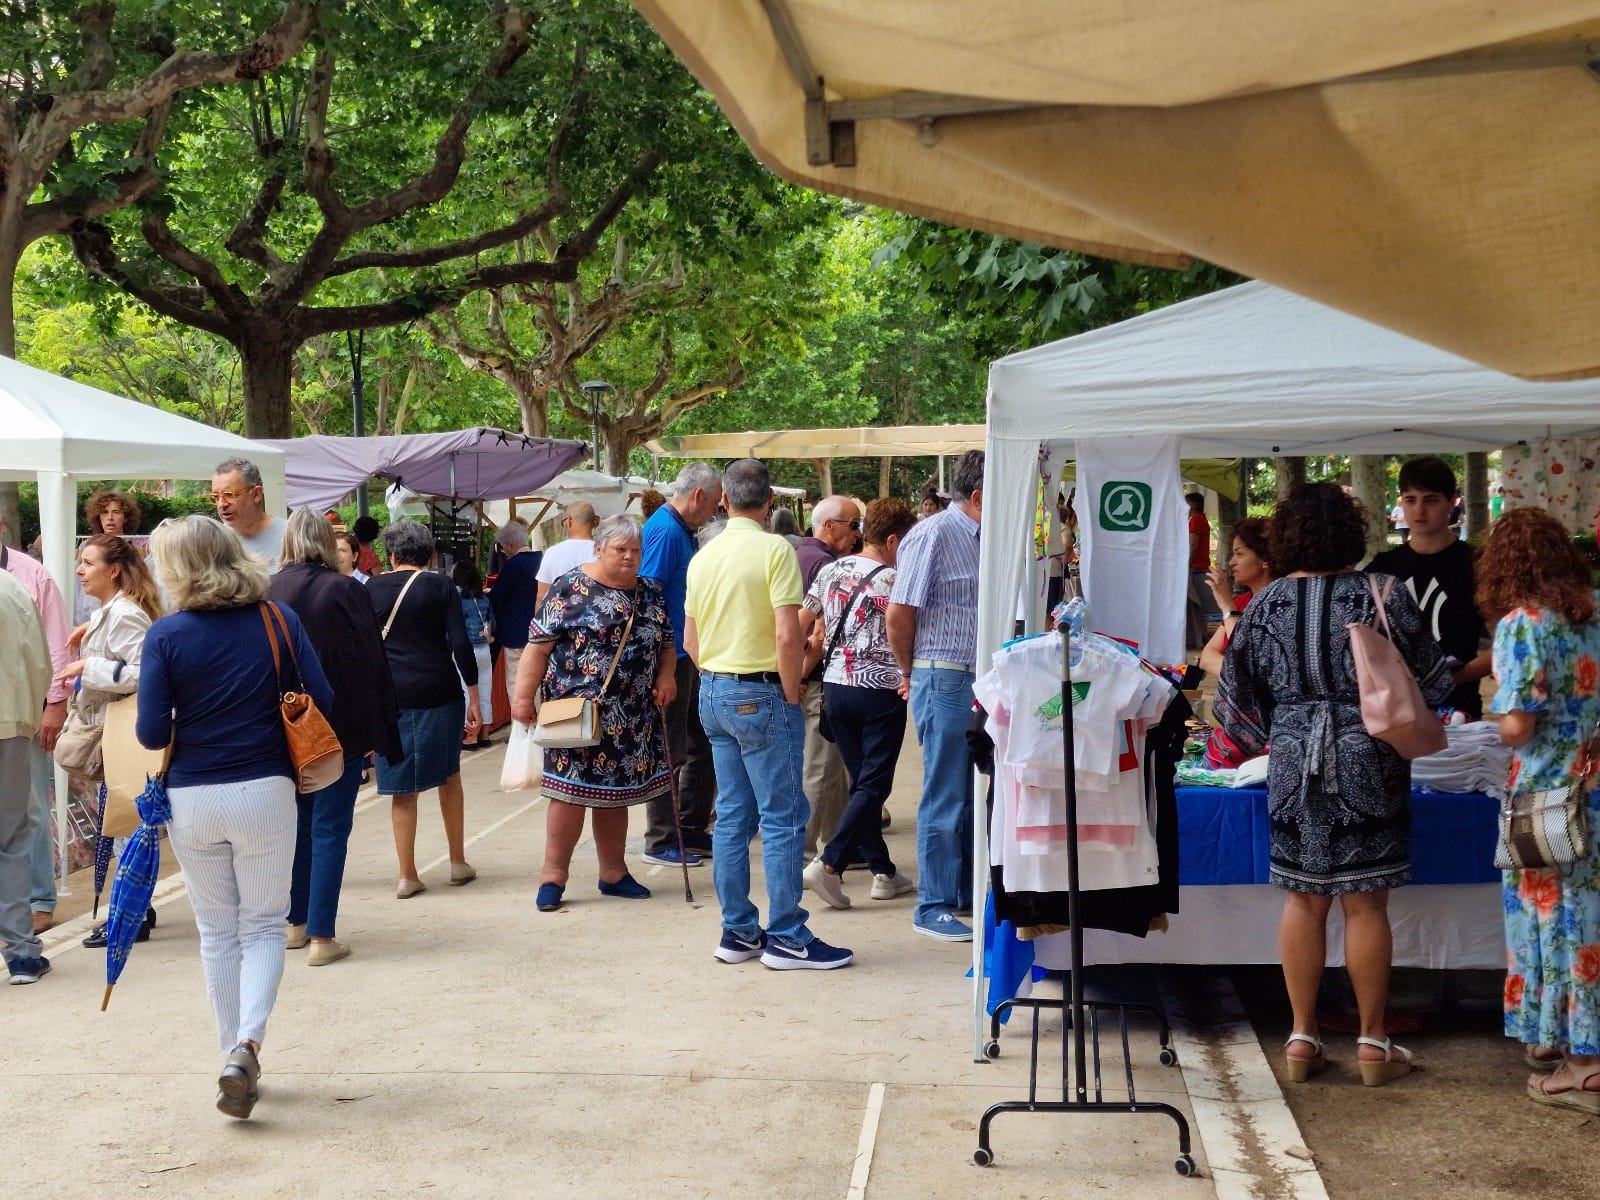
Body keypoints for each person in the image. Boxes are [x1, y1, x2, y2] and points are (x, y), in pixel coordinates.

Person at [1214, 483, 1453, 1087]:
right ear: (1353, 531)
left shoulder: (1265, 605)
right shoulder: (1383, 594)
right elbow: (1434, 680)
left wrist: (1283, 723)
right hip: (1369, 752)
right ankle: (1373, 1042)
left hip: (1294, 755)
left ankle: (1301, 1038)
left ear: (1287, 536)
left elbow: (1234, 705)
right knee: (1367, 901)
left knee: (1303, 898)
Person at [136, 515, 333, 1119]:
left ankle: (229, 1053)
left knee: (217, 933)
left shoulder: (166, 636)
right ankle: (248, 1043)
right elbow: (321, 698)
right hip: (267, 789)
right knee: (265, 926)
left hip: (194, 796)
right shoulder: (278, 620)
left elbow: (149, 731)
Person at [686, 458, 852, 970]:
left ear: (724, 500)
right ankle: (786, 935)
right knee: (782, 818)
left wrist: (719, 676)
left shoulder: (704, 556)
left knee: (735, 815)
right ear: (770, 504)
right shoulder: (774, 550)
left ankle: (738, 930)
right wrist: (789, 687)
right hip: (759, 689)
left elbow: (690, 639)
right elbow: (787, 632)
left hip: (713, 689)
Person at [1476, 506, 1600, 1112]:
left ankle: (1583, 1065)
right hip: (1596, 786)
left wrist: (1496, 721)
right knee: (1591, 919)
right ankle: (1565, 1040)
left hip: (1549, 794)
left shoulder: (1524, 624)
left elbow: (1518, 726)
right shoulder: (1596, 612)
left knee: (1558, 923)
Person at [511, 516, 674, 910]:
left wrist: (668, 677)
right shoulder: (570, 587)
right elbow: (537, 647)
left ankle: (613, 872)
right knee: (568, 794)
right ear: (599, 548)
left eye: (635, 551)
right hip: (575, 711)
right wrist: (522, 699)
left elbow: (666, 641)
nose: (630, 557)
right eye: (621, 550)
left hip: (631, 714)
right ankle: (553, 877)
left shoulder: (650, 592)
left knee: (615, 795)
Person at [269, 510, 401, 966]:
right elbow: (371, 662)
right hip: (336, 725)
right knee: (329, 828)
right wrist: (377, 729)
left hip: (282, 726)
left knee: (297, 828)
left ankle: (296, 920)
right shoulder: (344, 589)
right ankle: (323, 934)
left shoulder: (268, 590)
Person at [800, 498, 918, 909]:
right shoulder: (894, 578)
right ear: (891, 540)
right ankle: (829, 862)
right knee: (873, 784)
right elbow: (897, 624)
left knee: (859, 781)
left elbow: (802, 620)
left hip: (834, 687)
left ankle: (883, 871)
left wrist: (792, 666)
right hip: (879, 688)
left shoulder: (830, 569)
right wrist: (907, 672)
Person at [887, 449, 984, 942]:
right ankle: (933, 905)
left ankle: (960, 891)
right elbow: (899, 613)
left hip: (970, 677)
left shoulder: (981, 536)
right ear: (979, 496)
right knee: (944, 794)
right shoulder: (934, 534)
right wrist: (911, 671)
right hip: (943, 675)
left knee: (969, 793)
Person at [57, 536, 162, 949]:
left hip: (120, 735)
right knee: (121, 823)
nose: (80, 571)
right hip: (114, 732)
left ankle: (133, 912)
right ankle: (134, 909)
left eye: (88, 563)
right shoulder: (113, 612)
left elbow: (144, 672)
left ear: (113, 570)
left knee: (124, 823)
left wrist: (90, 666)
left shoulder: (123, 615)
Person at [367, 520, 481, 898]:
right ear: (429, 554)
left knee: (403, 789)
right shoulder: (439, 584)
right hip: (439, 690)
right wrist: (475, 696)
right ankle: (457, 861)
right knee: (450, 776)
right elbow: (460, 643)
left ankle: (406, 874)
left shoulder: (372, 588)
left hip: (391, 696)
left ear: (391, 554)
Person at [640, 463, 723, 868]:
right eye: (714, 502)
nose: (715, 511)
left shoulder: (680, 530)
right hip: (670, 657)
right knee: (670, 748)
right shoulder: (666, 530)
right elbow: (648, 592)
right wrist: (663, 666)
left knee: (698, 743)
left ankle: (689, 827)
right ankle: (661, 837)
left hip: (686, 654)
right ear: (698, 496)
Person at [1367, 457, 1491, 719]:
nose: (1419, 510)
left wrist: (1451, 678)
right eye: (1410, 500)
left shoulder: (1479, 565)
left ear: (1451, 501)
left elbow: (1507, 643)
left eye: (1430, 499)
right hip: (1395, 708)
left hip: (1458, 708)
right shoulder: (1383, 567)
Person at [1, 517, 69, 936]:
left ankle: (40, 898)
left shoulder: (30, 575)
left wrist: (54, 704)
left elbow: (55, 644)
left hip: (24, 710)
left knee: (32, 808)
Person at [795, 495, 860, 859]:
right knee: (820, 767)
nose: (857, 533)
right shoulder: (825, 565)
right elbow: (817, 631)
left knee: (831, 766)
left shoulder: (799, 556)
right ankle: (803, 851)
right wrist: (802, 672)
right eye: (853, 525)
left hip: (808, 675)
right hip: (817, 675)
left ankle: (838, 845)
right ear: (829, 525)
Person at [1, 569, 53, 984]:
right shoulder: (13, 587)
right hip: (10, 720)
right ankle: (20, 952)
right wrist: (30, 714)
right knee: (12, 837)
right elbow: (40, 663)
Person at [1198, 517, 1275, 769]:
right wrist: (1243, 675)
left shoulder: (1278, 603)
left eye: (1239, 554)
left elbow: (1254, 657)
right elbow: (1207, 657)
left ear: (1265, 560)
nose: (1232, 562)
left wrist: (1227, 607)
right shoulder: (1242, 602)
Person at [488, 519, 541, 698]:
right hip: (542, 633)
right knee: (538, 684)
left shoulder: (512, 565)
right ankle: (539, 723)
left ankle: (522, 725)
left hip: (515, 635)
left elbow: (496, 597)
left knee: (517, 683)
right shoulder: (543, 560)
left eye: (503, 547)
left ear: (510, 545)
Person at [210, 457, 288, 569]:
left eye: (229, 494)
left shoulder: (291, 536)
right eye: (216, 497)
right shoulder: (214, 543)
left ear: (256, 494)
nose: (222, 504)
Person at [453, 560, 495, 748]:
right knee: (485, 690)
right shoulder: (485, 600)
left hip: (465, 650)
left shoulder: (457, 600)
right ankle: (485, 733)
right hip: (484, 648)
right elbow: (494, 623)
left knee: (468, 692)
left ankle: (470, 736)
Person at [535, 502, 598, 611]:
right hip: (597, 620)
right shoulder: (604, 552)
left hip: (560, 622)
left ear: (569, 521)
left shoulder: (553, 553)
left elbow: (542, 598)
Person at [1186, 492, 1218, 621]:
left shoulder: (1196, 520)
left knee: (1200, 603)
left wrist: (1186, 564)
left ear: (1194, 504)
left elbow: (1193, 545)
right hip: (1200, 566)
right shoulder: (1201, 519)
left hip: (1196, 566)